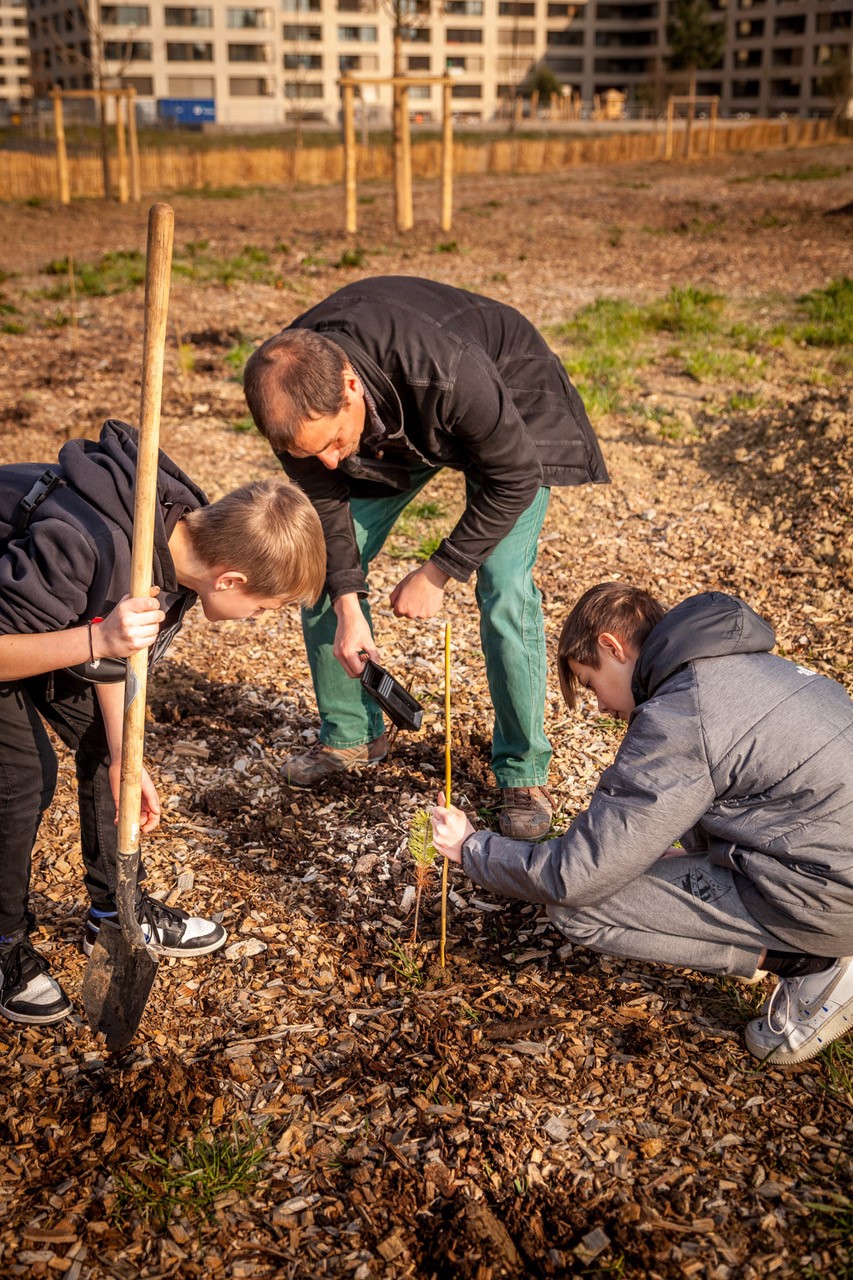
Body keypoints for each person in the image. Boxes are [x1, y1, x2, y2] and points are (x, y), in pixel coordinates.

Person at [243, 276, 608, 840]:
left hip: (504, 403)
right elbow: (328, 505)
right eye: (313, 452)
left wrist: (439, 570)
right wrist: (347, 602)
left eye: (334, 442)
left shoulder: (446, 368)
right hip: (402, 424)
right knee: (317, 563)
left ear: (349, 385)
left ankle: (523, 771)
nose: (333, 462)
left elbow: (514, 475)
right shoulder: (290, 399)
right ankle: (351, 736)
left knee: (504, 583)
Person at [430, 583, 853, 1067]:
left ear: (612, 647)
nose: (598, 706)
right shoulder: (742, 664)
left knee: (578, 911)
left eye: (589, 682)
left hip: (830, 898)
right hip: (827, 859)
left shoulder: (681, 714)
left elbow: (576, 877)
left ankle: (813, 965)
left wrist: (472, 847)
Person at [0, 419, 325, 1027]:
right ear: (231, 580)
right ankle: (3, 945)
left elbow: (113, 662)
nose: (258, 620)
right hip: (11, 630)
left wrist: (128, 754)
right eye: (266, 607)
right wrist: (98, 635)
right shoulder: (80, 543)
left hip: (56, 622)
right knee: (22, 780)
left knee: (111, 752)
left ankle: (115, 910)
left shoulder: (178, 550)